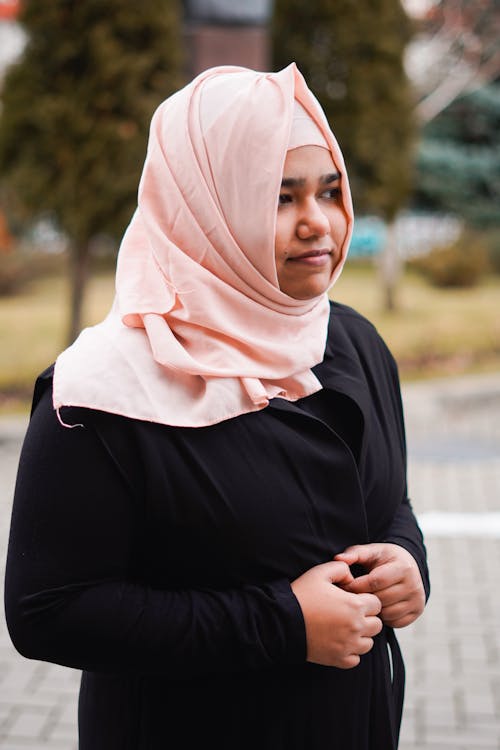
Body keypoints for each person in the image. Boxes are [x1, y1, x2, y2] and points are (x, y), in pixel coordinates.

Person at [5, 63, 429, 749]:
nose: (317, 224)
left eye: (330, 191)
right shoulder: (97, 394)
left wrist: (408, 562)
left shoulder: (349, 339)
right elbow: (47, 610)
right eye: (279, 197)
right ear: (206, 206)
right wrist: (283, 624)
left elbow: (387, 503)